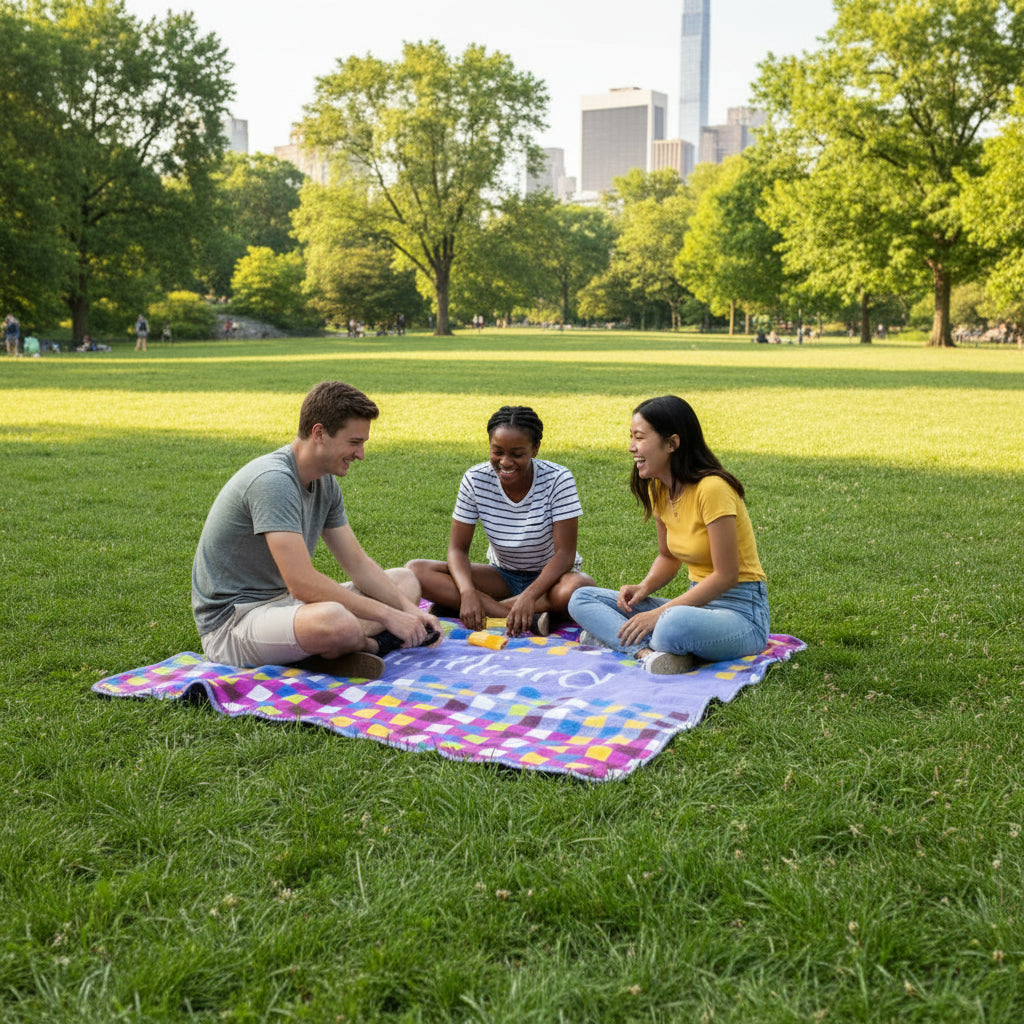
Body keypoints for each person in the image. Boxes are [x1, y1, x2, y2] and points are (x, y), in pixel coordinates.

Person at [192, 381, 441, 679]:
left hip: (288, 607)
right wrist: (390, 616)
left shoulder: (325, 483)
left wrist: (410, 612)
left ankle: (328, 649)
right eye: (354, 442)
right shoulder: (273, 481)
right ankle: (370, 645)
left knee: (405, 581)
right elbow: (302, 583)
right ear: (319, 433)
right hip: (234, 624)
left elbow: (358, 564)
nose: (361, 454)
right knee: (336, 621)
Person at [568, 396, 769, 674]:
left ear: (672, 443)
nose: (631, 447)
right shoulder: (659, 488)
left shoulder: (713, 489)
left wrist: (658, 614)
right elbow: (668, 556)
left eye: (639, 437)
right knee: (582, 598)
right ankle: (647, 653)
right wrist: (644, 588)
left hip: (742, 616)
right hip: (697, 606)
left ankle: (614, 639)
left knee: (671, 624)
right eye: (631, 437)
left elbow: (726, 575)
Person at [406, 406, 595, 636]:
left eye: (517, 454)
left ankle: (479, 610)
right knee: (416, 571)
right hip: (502, 575)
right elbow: (457, 549)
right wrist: (467, 592)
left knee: (578, 587)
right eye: (497, 452)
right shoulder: (475, 479)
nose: (505, 462)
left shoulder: (558, 479)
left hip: (552, 581)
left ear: (535, 449)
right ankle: (525, 618)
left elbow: (565, 554)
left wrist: (530, 595)